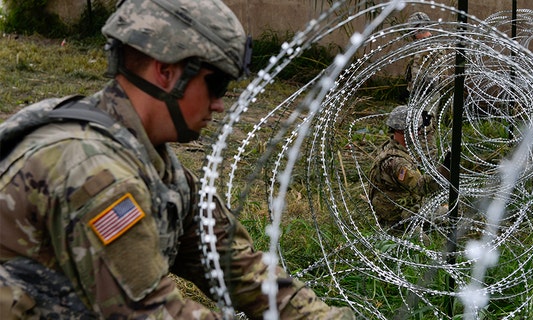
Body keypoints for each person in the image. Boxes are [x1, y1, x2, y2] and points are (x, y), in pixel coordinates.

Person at [0, 0, 354, 319]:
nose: (219, 104)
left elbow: (236, 265)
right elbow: (154, 313)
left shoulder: (154, 163)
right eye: (215, 85)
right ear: (166, 72)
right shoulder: (95, 173)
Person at [368, 105, 449, 228]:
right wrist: (445, 170)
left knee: (450, 213)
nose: (420, 132)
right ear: (404, 131)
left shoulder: (391, 147)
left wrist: (428, 130)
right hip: (400, 217)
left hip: (405, 206)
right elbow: (422, 186)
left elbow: (426, 154)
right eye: (416, 129)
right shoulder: (398, 163)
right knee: (452, 215)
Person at [402, 11, 443, 108]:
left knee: (425, 122)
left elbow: (428, 77)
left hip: (426, 96)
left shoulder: (431, 48)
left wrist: (413, 88)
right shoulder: (423, 46)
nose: (411, 34)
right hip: (419, 94)